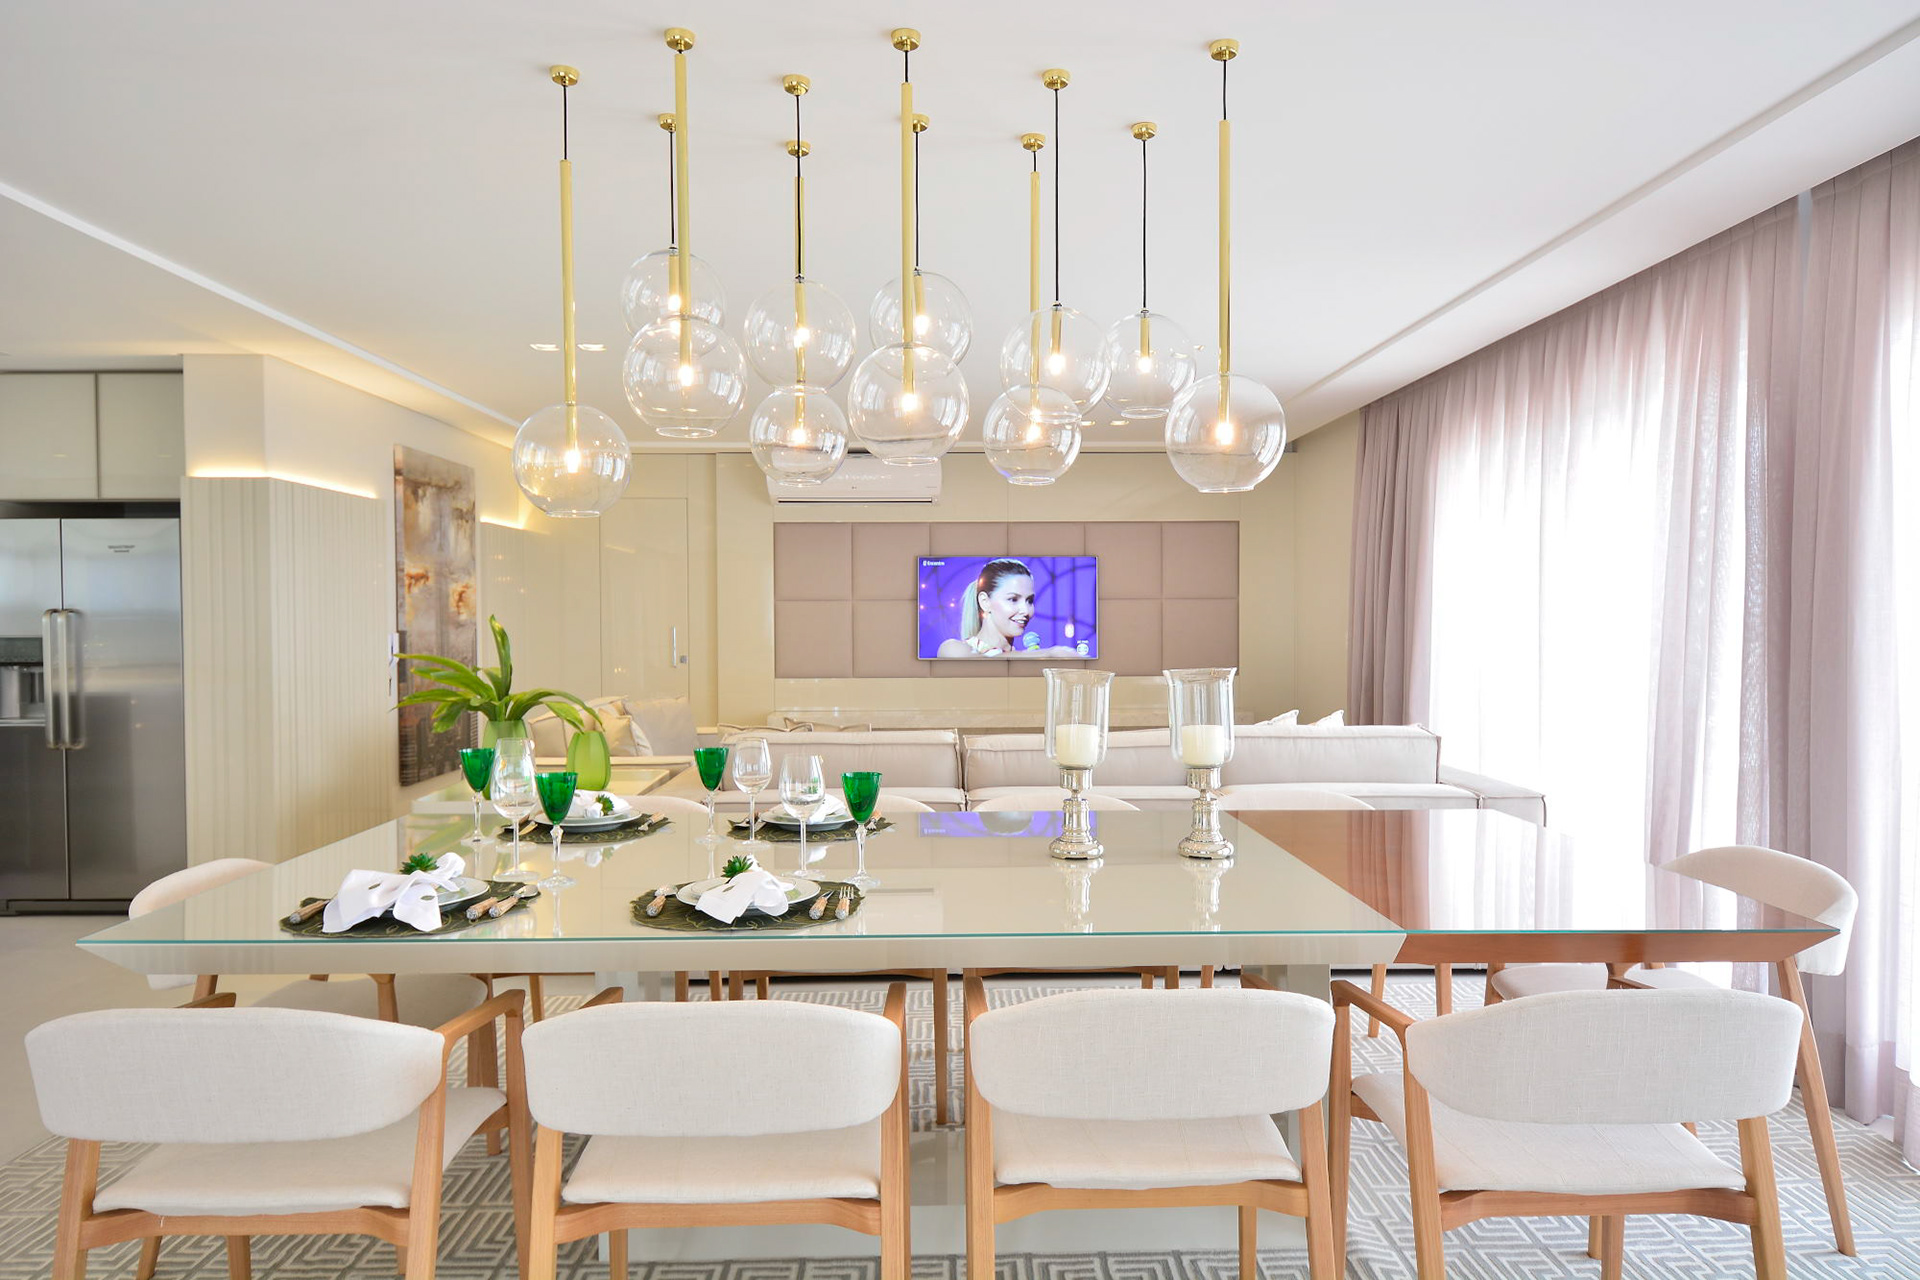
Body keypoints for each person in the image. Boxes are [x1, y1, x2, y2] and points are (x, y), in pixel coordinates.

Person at [937, 558, 1082, 658]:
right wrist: (1049, 653)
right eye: (1013, 599)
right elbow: (985, 664)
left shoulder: (1026, 659)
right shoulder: (952, 649)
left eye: (1029, 601)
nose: (1026, 611)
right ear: (985, 602)